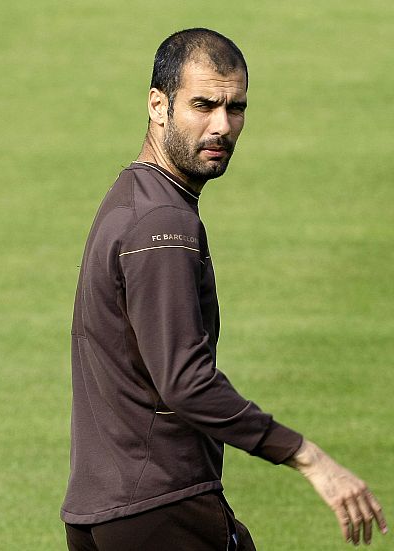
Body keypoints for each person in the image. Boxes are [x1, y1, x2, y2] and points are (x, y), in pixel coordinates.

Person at [61, 28, 387, 550]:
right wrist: (307, 455)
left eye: (235, 108)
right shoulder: (162, 223)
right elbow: (185, 381)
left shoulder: (133, 197)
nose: (221, 126)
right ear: (158, 105)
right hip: (162, 508)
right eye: (204, 105)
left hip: (104, 513)